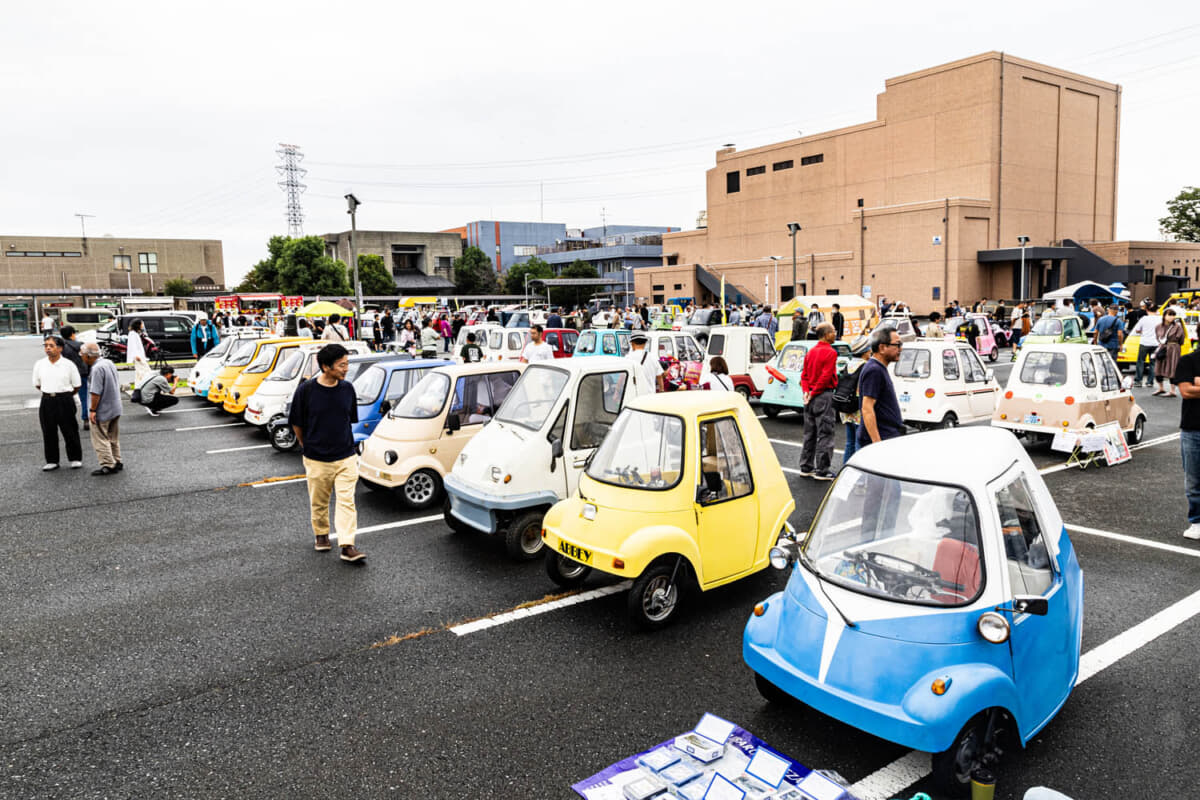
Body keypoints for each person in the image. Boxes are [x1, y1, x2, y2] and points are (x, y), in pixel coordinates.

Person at [289, 343, 365, 562]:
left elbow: (348, 420)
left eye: (347, 364)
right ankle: (321, 535)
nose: (346, 369)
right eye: (342, 365)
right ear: (325, 366)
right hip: (317, 458)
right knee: (319, 501)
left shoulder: (347, 389)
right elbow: (297, 423)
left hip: (346, 456)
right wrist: (307, 446)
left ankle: (347, 545)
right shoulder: (307, 390)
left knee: (346, 501)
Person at [32, 335, 83, 471]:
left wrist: (65, 395)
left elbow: (76, 385)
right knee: (48, 431)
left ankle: (75, 458)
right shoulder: (40, 364)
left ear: (60, 348)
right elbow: (37, 384)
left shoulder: (68, 364)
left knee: (70, 429)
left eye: (51, 345)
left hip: (65, 399)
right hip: (47, 399)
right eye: (46, 345)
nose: (48, 348)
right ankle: (52, 460)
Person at [798, 323, 839, 480]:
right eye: (833, 331)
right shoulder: (830, 352)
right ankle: (822, 470)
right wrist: (814, 393)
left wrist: (807, 393)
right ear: (827, 334)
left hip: (809, 397)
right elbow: (826, 376)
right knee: (825, 433)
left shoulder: (811, 351)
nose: (835, 333)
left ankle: (806, 466)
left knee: (809, 433)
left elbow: (804, 375)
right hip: (823, 395)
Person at [857, 327, 905, 448]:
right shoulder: (874, 370)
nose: (901, 349)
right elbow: (867, 408)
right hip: (882, 438)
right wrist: (877, 444)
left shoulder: (878, 368)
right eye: (897, 345)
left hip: (888, 435)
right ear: (882, 348)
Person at [80, 343, 123, 476]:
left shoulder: (97, 369)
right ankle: (117, 460)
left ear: (88, 356)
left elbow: (95, 392)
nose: (81, 357)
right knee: (113, 437)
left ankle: (108, 464)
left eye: (81, 354)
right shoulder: (108, 362)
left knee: (100, 438)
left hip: (103, 409)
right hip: (115, 406)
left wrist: (92, 410)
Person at [1173, 339, 1200, 539]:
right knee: (1193, 479)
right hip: (1193, 429)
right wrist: (1192, 386)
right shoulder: (1188, 361)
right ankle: (1197, 521)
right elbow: (1186, 391)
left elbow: (1192, 389)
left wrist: (1197, 384)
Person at [60, 325, 90, 431]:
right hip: (81, 373)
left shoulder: (61, 347)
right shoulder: (81, 345)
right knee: (84, 397)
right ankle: (86, 419)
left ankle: (67, 420)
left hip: (66, 375)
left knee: (65, 398)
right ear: (72, 334)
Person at [1129, 304, 1162, 388]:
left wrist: (1143, 332)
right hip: (1156, 343)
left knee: (1140, 361)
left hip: (1144, 343)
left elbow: (1137, 330)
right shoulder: (1160, 319)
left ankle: (1138, 381)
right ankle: (1150, 382)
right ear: (1157, 310)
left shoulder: (1143, 319)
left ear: (1147, 310)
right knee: (1153, 363)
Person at [1155, 308, 1185, 397]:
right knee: (1158, 367)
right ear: (1164, 316)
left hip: (1174, 348)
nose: (1171, 317)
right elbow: (1157, 337)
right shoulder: (1158, 326)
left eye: (1173, 315)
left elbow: (1181, 340)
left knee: (1173, 367)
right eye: (1169, 315)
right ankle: (1161, 388)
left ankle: (1172, 390)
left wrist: (1173, 345)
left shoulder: (1177, 326)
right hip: (1162, 347)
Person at [126, 318, 152, 388]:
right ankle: (144, 387)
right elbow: (133, 345)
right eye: (142, 324)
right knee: (144, 372)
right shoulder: (132, 334)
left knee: (139, 373)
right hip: (138, 357)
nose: (143, 325)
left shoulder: (135, 333)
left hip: (140, 356)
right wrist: (136, 355)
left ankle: (138, 387)